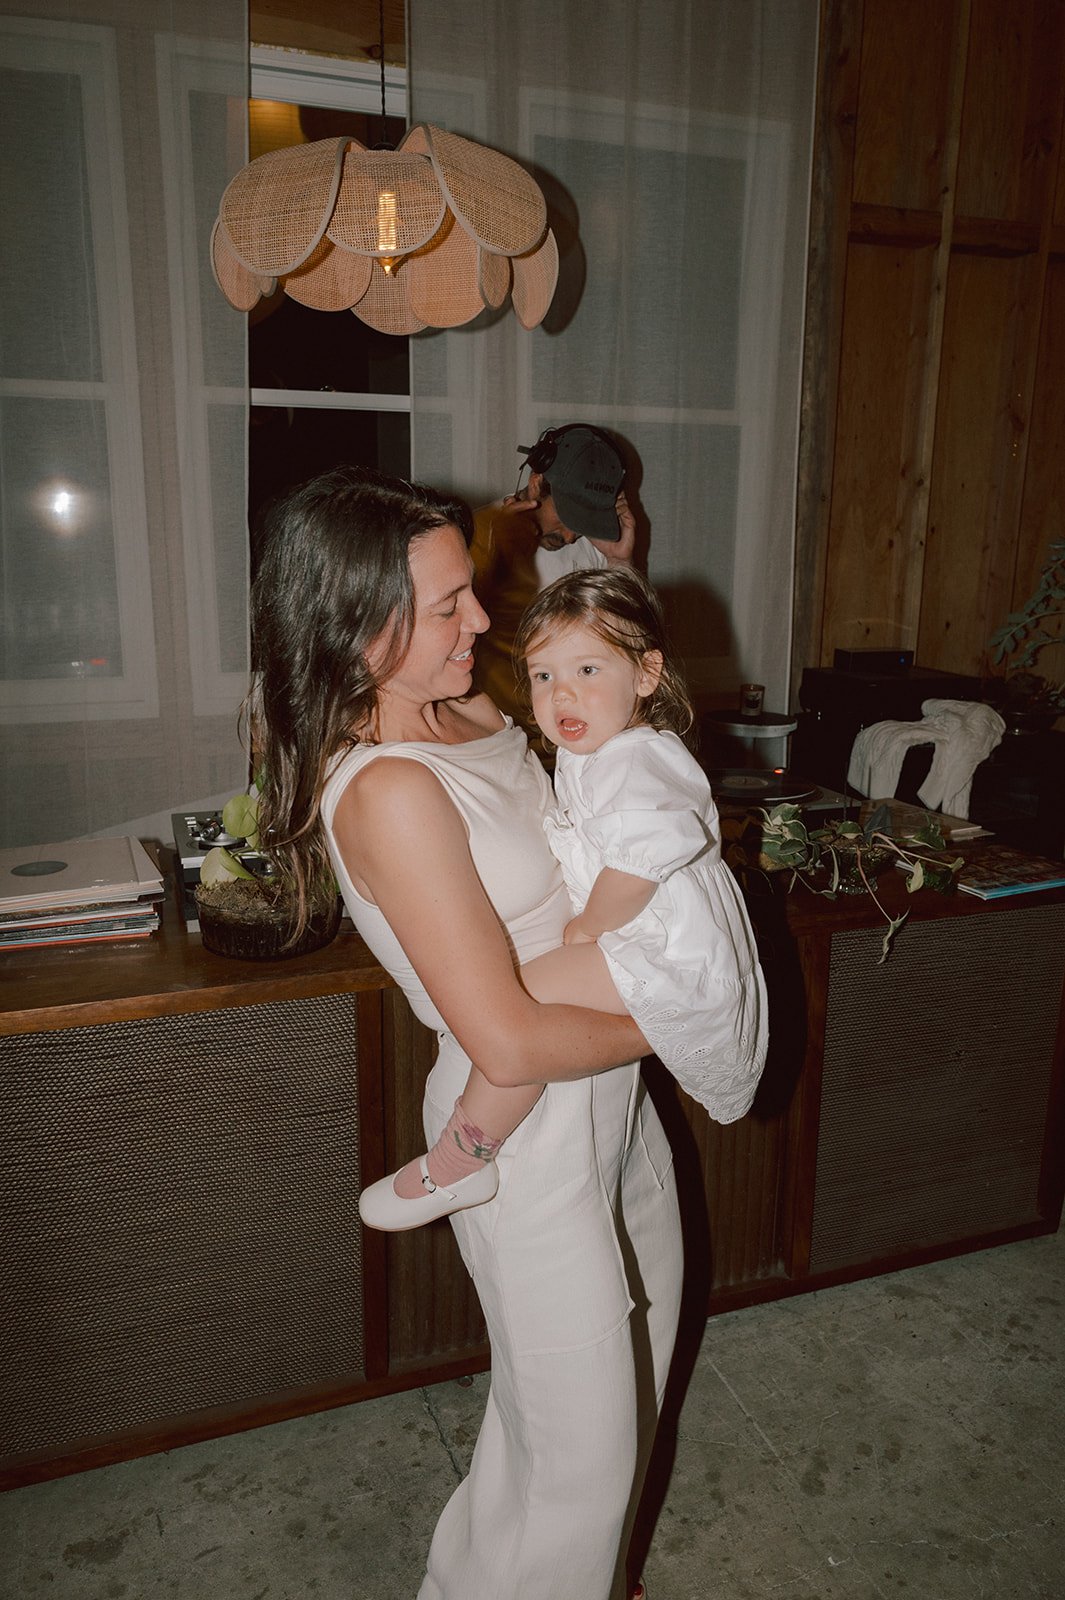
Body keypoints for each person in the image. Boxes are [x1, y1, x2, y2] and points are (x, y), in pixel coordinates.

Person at [248, 465, 682, 1600]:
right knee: (574, 1470)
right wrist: (690, 1007)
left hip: (616, 1106)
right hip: (527, 1136)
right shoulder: (387, 789)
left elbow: (609, 731)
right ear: (355, 628)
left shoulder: (471, 704)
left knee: (613, 1411)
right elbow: (515, 1039)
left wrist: (618, 575)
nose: (481, 618)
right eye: (448, 606)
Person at [360, 566, 769, 1232]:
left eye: (586, 671)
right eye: (543, 676)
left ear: (646, 674)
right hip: (644, 934)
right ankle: (467, 1150)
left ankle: (459, 1163)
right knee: (516, 1011)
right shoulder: (599, 751)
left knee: (517, 1008)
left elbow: (638, 864)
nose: (560, 696)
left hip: (656, 940)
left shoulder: (638, 761)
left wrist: (588, 926)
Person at [471, 423, 636, 740]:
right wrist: (493, 557)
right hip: (499, 741)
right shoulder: (476, 537)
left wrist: (620, 562)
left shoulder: (594, 550)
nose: (572, 535)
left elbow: (627, 648)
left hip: (573, 741)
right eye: (568, 516)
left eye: (586, 520)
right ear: (537, 483)